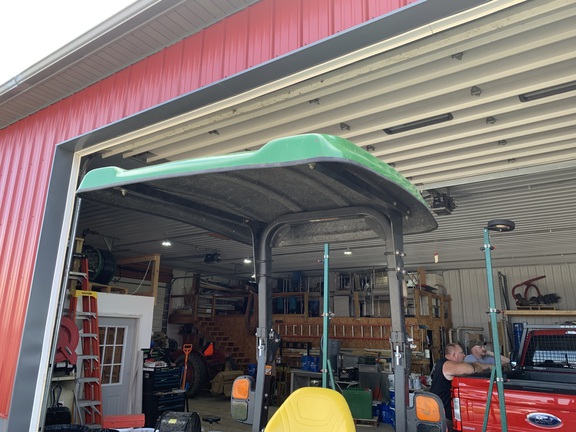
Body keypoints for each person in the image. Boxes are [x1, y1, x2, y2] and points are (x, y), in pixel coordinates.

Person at [430, 343, 492, 431]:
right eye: (462, 352)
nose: (464, 355)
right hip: (442, 416)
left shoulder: (444, 363)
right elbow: (468, 369)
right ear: (454, 355)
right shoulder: (446, 364)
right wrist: (476, 367)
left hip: (444, 413)